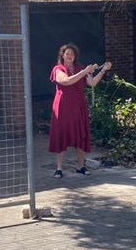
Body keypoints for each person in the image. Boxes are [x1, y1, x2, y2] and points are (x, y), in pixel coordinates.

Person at [48, 43, 112, 179]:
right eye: (67, 53)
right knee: (62, 133)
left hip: (78, 105)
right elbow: (65, 81)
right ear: (62, 55)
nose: (69, 56)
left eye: (72, 53)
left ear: (75, 56)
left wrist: (103, 70)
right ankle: (59, 168)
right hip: (63, 106)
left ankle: (80, 166)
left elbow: (92, 83)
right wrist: (83, 72)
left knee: (80, 134)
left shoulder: (79, 67)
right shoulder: (58, 69)